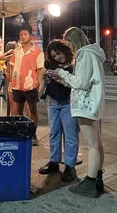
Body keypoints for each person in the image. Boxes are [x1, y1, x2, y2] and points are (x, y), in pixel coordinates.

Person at [47, 27, 105, 198]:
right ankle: (97, 178)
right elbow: (84, 81)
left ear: (74, 41)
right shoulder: (93, 53)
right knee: (97, 144)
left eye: (69, 43)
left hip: (85, 105)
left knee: (93, 146)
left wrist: (62, 73)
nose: (69, 48)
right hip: (92, 103)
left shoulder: (84, 54)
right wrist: (65, 80)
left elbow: (81, 82)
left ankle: (90, 181)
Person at [38, 39, 79, 182]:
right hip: (53, 102)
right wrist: (41, 91)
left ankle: (70, 166)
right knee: (54, 133)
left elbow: (78, 82)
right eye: (54, 56)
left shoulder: (75, 64)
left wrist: (63, 80)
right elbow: (42, 75)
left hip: (69, 103)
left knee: (70, 135)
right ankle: (54, 162)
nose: (57, 58)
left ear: (65, 50)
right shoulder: (50, 63)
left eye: (59, 54)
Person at [10, 24, 44, 146]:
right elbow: (12, 66)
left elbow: (40, 69)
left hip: (31, 85)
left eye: (25, 34)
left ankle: (32, 133)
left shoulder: (37, 52)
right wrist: (11, 81)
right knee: (17, 110)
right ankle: (19, 132)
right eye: (21, 35)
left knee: (32, 110)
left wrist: (39, 83)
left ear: (30, 35)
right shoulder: (16, 51)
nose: (23, 37)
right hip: (17, 85)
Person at [4, 41, 18, 115]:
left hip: (13, 84)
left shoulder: (11, 60)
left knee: (13, 104)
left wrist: (5, 71)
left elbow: (11, 76)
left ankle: (14, 120)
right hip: (14, 84)